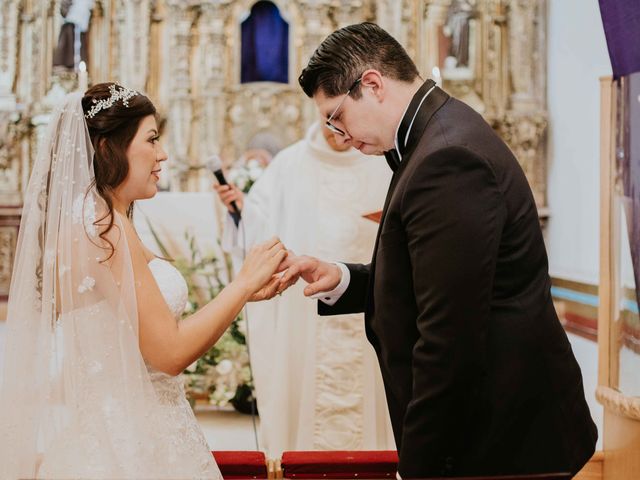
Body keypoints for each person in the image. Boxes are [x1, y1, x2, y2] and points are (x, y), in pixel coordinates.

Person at [280, 22, 598, 478]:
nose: (341, 135)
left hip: (499, 438)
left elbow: (449, 337)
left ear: (371, 84)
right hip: (497, 424)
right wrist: (346, 278)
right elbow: (441, 278)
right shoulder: (436, 135)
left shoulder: (448, 158)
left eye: (336, 116)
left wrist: (419, 466)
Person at [0, 83, 288, 479]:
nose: (163, 154)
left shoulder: (97, 219)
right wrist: (240, 285)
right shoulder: (102, 226)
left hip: (126, 436)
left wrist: (244, 293)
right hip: (129, 450)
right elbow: (169, 353)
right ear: (107, 148)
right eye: (151, 140)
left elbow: (142, 327)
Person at [215, 120, 395, 456]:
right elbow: (261, 235)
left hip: (366, 309)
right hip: (305, 313)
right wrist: (241, 212)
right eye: (333, 124)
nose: (340, 134)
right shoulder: (290, 164)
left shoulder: (382, 162)